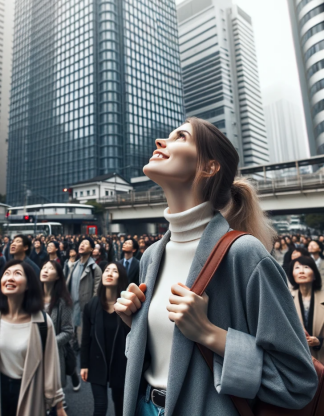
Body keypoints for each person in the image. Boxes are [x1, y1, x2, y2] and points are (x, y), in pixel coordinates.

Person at [115, 118, 317, 415]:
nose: (160, 142)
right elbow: (155, 357)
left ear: (209, 167)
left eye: (180, 136)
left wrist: (209, 332)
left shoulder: (244, 254)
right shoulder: (152, 255)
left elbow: (297, 381)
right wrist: (136, 325)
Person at [0, 260, 66, 416]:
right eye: (6, 274)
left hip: (29, 391)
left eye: (17, 274)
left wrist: (59, 407)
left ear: (28, 284)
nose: (9, 278)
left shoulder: (42, 322)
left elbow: (51, 367)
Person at [81, 263, 129, 416]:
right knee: (100, 406)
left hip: (121, 363)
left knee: (120, 405)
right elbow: (85, 338)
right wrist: (84, 365)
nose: (109, 273)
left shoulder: (126, 306)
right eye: (107, 270)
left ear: (120, 277)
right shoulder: (92, 306)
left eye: (114, 271)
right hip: (97, 362)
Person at [41, 260, 74, 407]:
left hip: (53, 353)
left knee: (53, 395)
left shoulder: (62, 302)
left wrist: (50, 343)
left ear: (57, 277)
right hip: (32, 351)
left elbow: (68, 331)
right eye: (44, 267)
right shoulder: (31, 298)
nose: (45, 270)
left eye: (50, 268)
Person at [289, 256, 324, 363]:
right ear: (292, 274)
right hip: (297, 359)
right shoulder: (286, 299)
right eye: (297, 268)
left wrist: (320, 341)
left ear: (314, 274)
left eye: (306, 267)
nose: (302, 271)